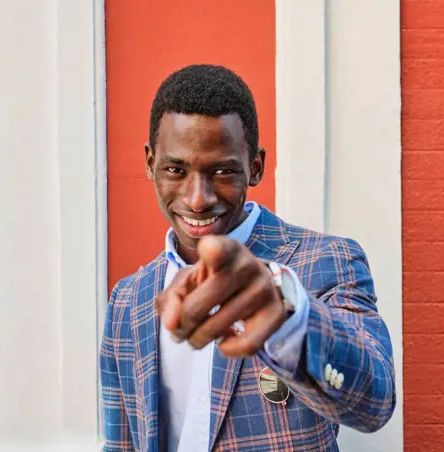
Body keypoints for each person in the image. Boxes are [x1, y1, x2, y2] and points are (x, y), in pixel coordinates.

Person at [99, 64, 396, 452]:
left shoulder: (326, 261)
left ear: (255, 167)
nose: (197, 198)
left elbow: (374, 403)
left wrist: (288, 312)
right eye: (175, 169)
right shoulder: (127, 301)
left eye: (222, 171)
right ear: (150, 162)